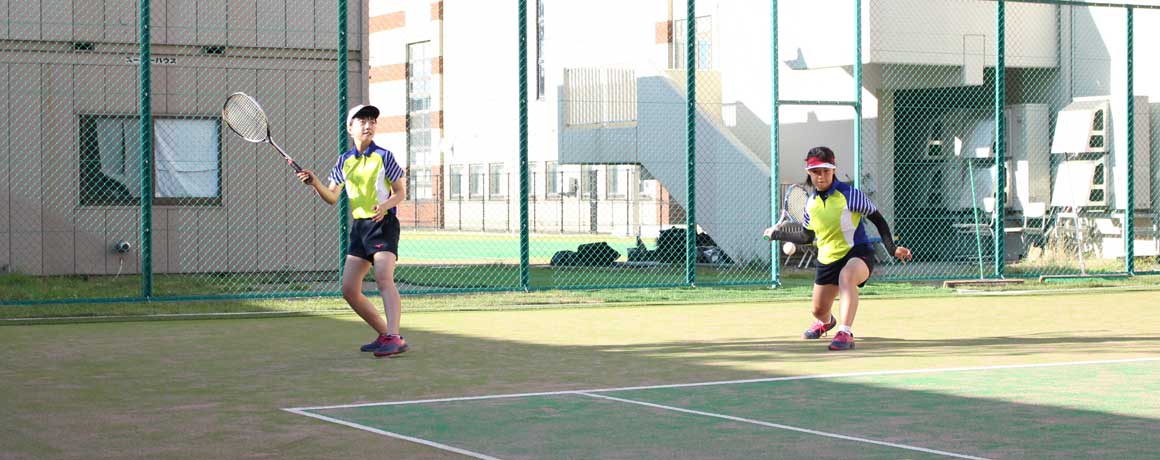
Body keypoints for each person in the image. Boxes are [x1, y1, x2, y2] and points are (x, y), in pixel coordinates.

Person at [764, 146, 912, 351]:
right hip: (828, 259)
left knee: (847, 277)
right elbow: (806, 236)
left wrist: (892, 248)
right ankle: (827, 322)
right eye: (816, 172)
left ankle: (845, 332)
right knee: (818, 310)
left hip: (857, 253)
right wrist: (777, 234)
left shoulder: (851, 195)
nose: (821, 176)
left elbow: (878, 220)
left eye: (826, 170)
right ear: (809, 173)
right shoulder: (810, 204)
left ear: (833, 170)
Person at [296, 104, 409, 358]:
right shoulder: (344, 161)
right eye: (362, 121)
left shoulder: (384, 156)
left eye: (372, 121)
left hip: (383, 224)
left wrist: (385, 205)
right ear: (351, 128)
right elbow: (332, 197)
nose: (368, 125)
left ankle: (393, 335)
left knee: (383, 277)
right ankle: (386, 335)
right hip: (360, 228)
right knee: (348, 289)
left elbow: (400, 192)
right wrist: (314, 182)